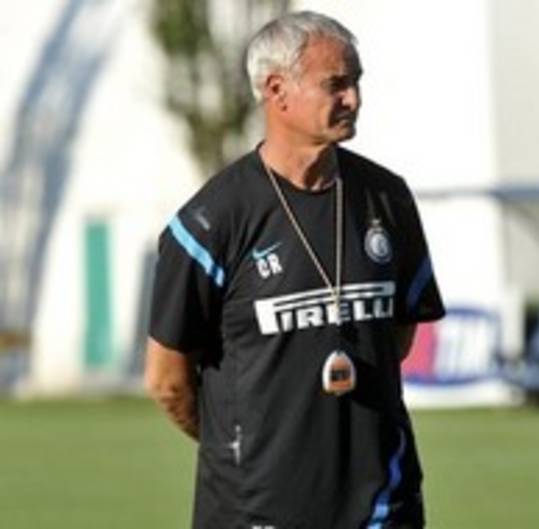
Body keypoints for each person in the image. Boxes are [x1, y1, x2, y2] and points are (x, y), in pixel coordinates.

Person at [144, 11, 445, 529]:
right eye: (336, 84)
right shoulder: (211, 222)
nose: (354, 98)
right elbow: (167, 380)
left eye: (356, 82)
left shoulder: (387, 198)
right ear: (277, 90)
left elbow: (394, 337)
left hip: (381, 505)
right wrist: (242, 446)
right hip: (256, 510)